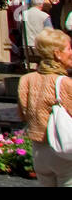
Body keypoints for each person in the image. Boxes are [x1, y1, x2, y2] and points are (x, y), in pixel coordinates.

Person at [18, 27, 72, 186]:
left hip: (39, 152)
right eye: (69, 48)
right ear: (57, 54)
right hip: (64, 151)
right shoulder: (65, 84)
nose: (71, 52)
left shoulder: (26, 80)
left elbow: (22, 115)